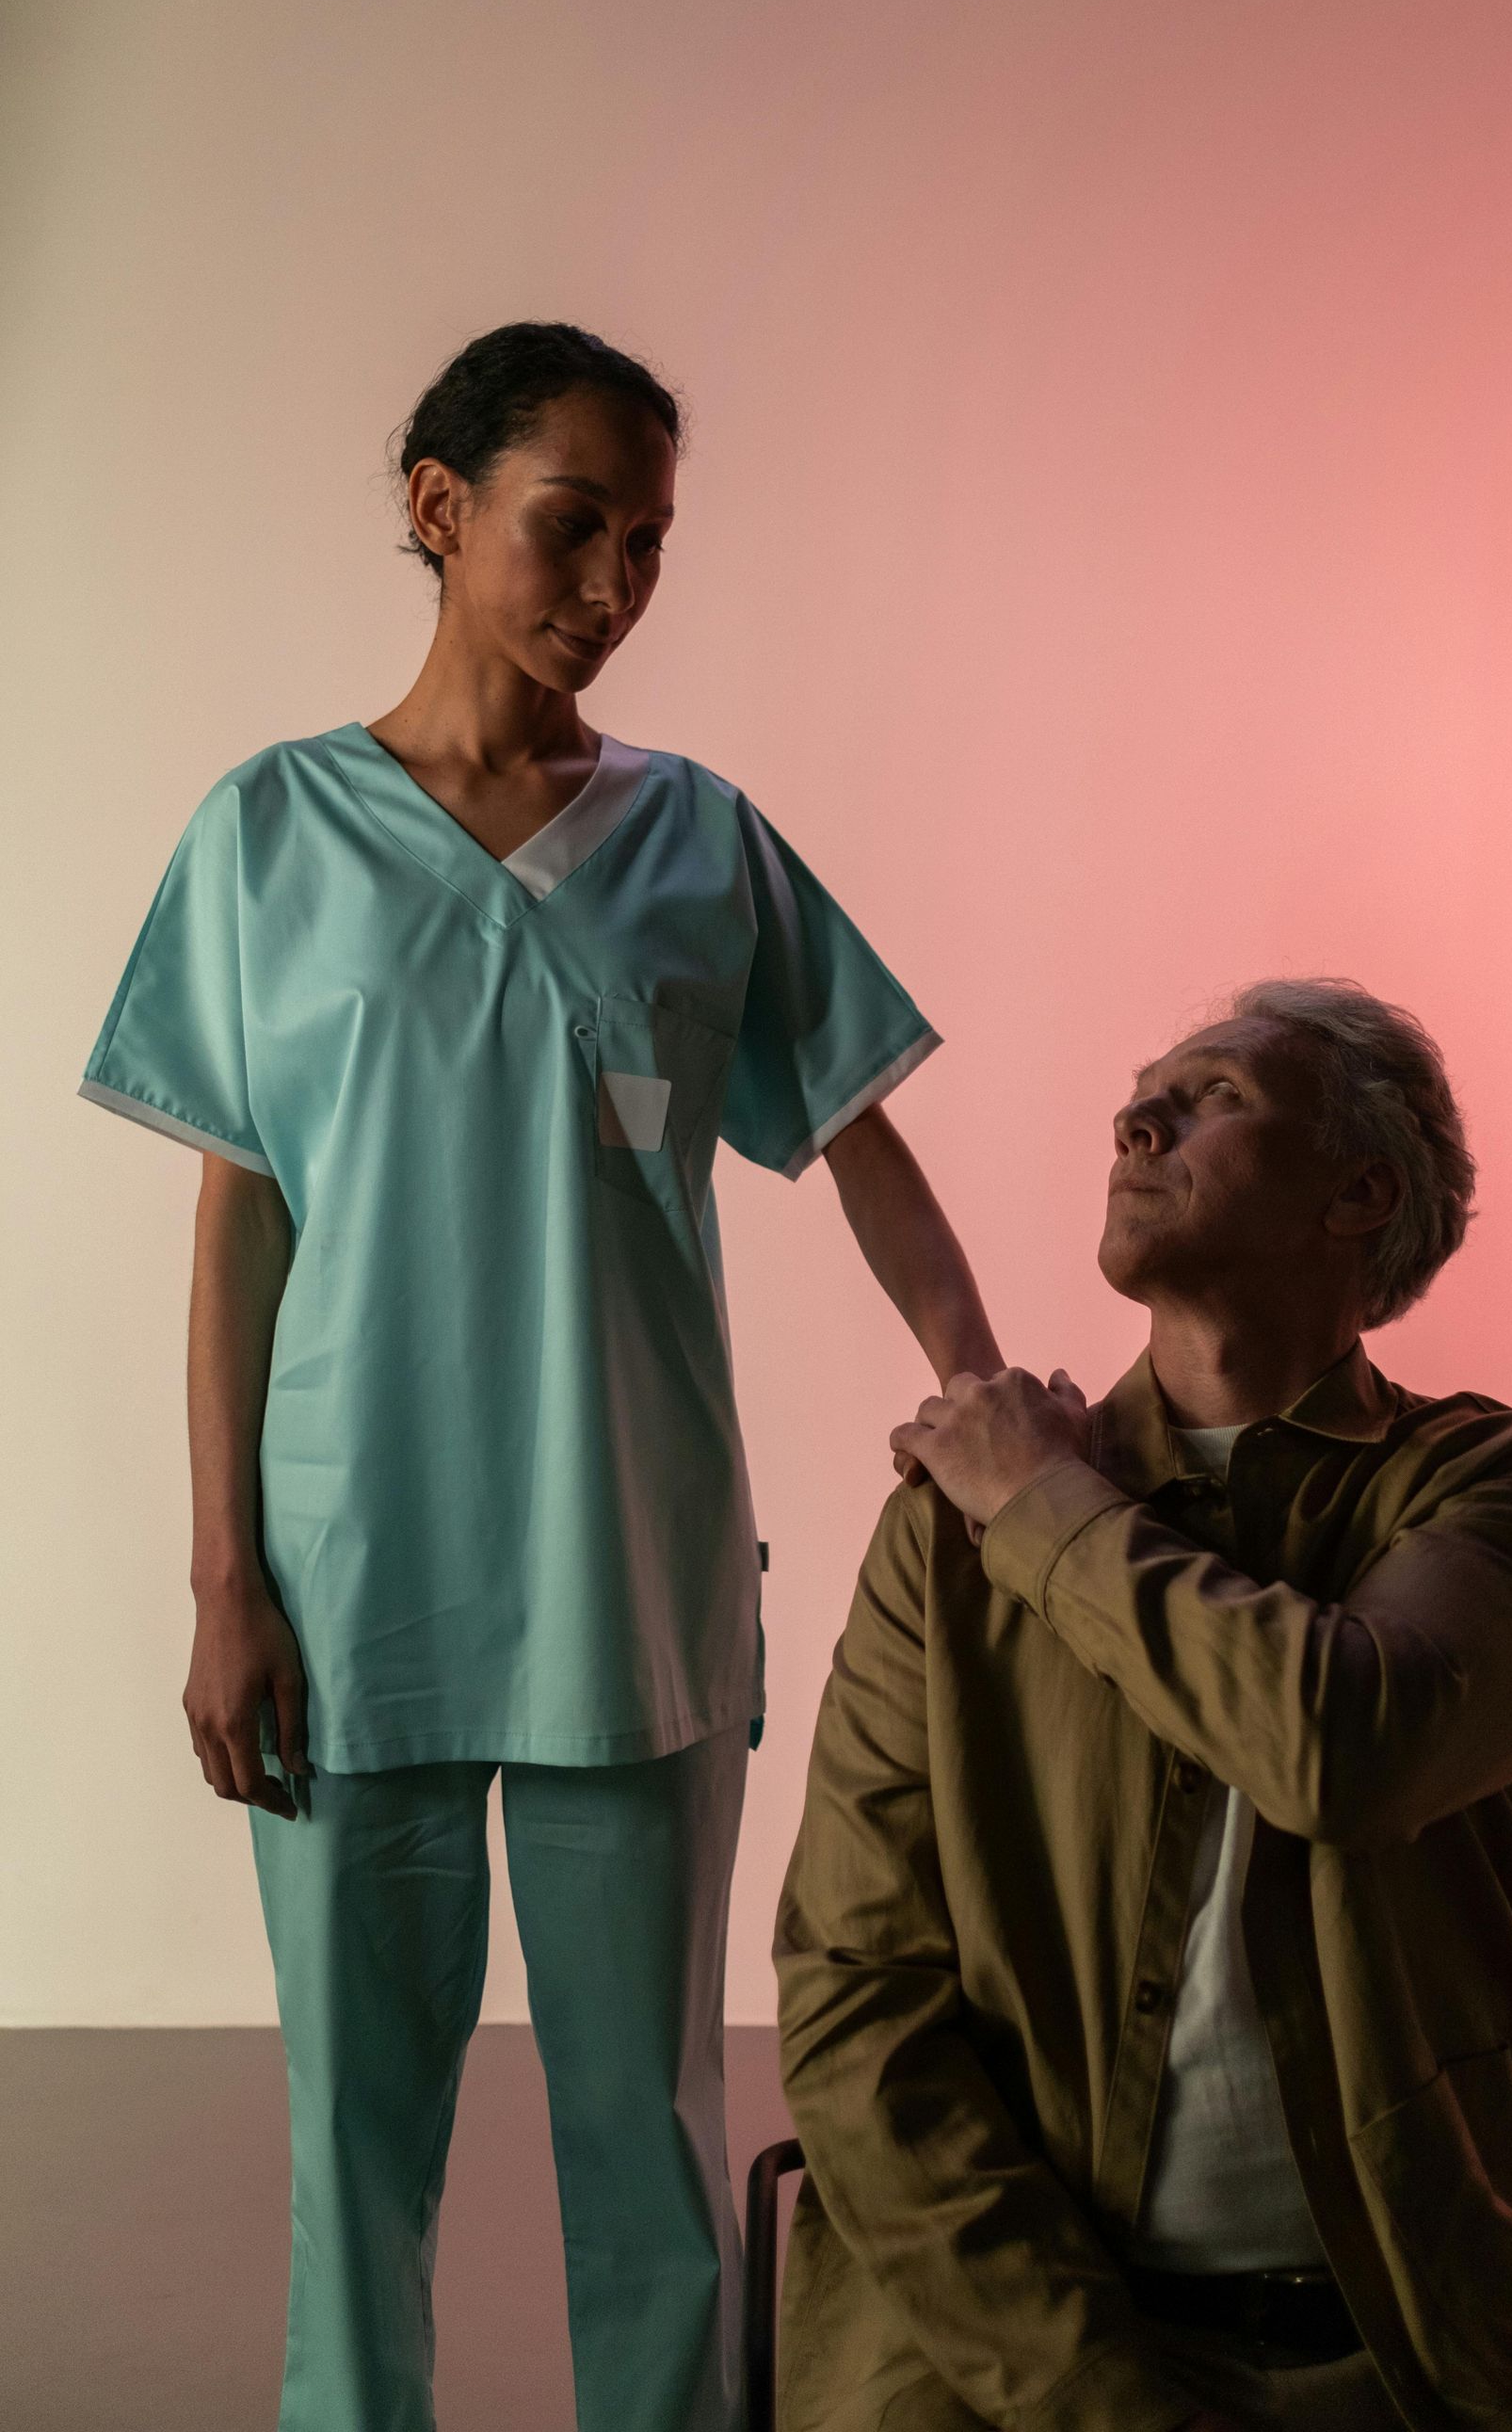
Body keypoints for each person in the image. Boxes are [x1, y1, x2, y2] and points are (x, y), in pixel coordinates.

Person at [80, 320, 1001, 2432]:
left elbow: (861, 1139)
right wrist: (227, 1577)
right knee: (358, 2142)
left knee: (653, 2144)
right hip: (350, 1578)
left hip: (633, 1568)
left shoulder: (701, 842)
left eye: (651, 541)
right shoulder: (270, 836)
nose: (615, 583)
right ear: (439, 512)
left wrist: (986, 1396)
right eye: (572, 525)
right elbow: (244, 1221)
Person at [774, 979, 1512, 2432]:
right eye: (1144, 1092)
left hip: (1410, 2353)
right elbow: (852, 2005)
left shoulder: (1511, 1483)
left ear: (1363, 1191)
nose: (1139, 1117)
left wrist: (1044, 1501)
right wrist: (1104, 2398)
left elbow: (1344, 1746)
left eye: (1215, 1095)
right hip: (1007, 2371)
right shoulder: (949, 1535)